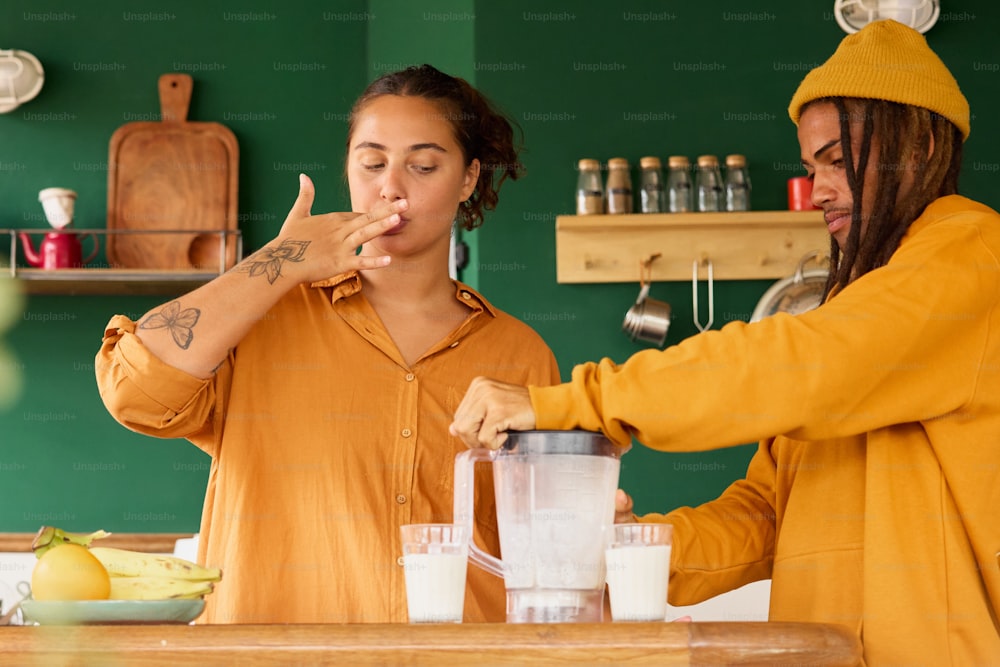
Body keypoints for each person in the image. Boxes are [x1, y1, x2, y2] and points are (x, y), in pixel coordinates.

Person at [450, 20, 999, 664]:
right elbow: (766, 517)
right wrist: (638, 545)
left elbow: (799, 364)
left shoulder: (973, 255)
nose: (818, 192)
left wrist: (571, 403)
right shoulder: (860, 305)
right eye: (809, 166)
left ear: (922, 143)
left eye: (836, 160)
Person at [96, 64, 560, 624]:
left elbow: (548, 549)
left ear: (467, 179)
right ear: (348, 171)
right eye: (372, 162)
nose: (392, 186)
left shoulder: (522, 354)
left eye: (424, 165)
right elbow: (135, 393)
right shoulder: (263, 317)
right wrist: (279, 260)